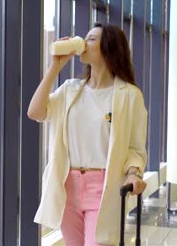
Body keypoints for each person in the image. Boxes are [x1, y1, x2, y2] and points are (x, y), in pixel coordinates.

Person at [28, 23, 148, 245]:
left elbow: (135, 147)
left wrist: (134, 173)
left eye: (91, 39)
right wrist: (55, 66)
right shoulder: (70, 89)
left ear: (109, 48)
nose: (84, 42)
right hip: (67, 187)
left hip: (103, 188)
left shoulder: (129, 95)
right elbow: (35, 112)